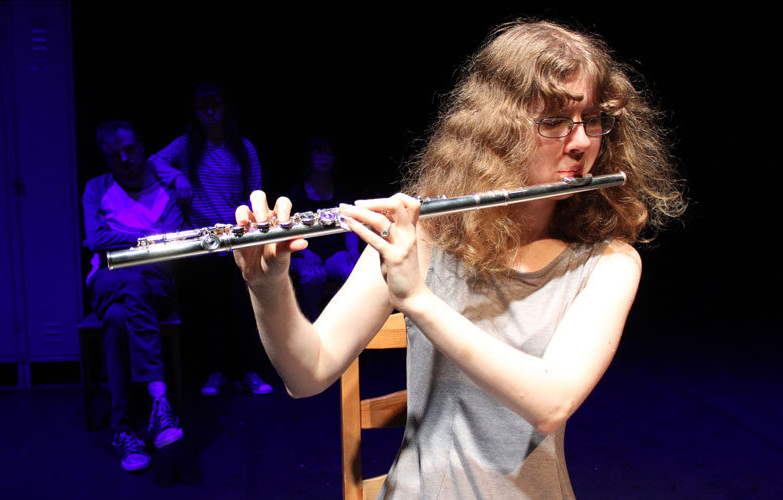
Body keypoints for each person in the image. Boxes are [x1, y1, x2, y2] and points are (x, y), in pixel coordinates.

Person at [232, 20, 685, 499]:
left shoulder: (610, 263)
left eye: (592, 119)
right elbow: (307, 374)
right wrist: (269, 288)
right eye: (554, 121)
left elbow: (551, 402)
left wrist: (420, 301)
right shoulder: (420, 236)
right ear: (497, 129)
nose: (581, 142)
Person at [149, 83, 273, 397]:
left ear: (224, 108)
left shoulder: (242, 147)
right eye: (202, 108)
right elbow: (154, 161)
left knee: (242, 308)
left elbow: (255, 189)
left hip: (237, 239)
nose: (209, 113)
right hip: (202, 240)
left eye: (213, 106)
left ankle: (247, 371)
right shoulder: (187, 146)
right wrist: (177, 176)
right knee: (209, 311)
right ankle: (215, 373)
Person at [83, 120, 185, 472]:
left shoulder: (167, 190)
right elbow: (96, 239)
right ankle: (160, 402)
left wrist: (124, 235)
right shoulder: (96, 188)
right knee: (131, 285)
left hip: (156, 283)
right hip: (105, 280)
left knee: (116, 318)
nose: (125, 157)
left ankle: (123, 431)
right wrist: (149, 235)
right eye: (115, 154)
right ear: (107, 159)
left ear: (142, 146)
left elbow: (172, 240)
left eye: (129, 148)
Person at [287, 135, 361, 320]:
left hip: (334, 252)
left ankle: (348, 321)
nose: (323, 157)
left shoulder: (342, 190)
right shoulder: (296, 192)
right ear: (310, 157)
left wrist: (353, 250)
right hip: (304, 252)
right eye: (318, 152)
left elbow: (350, 225)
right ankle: (311, 322)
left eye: (328, 153)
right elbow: (288, 230)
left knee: (353, 271)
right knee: (313, 277)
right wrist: (306, 253)